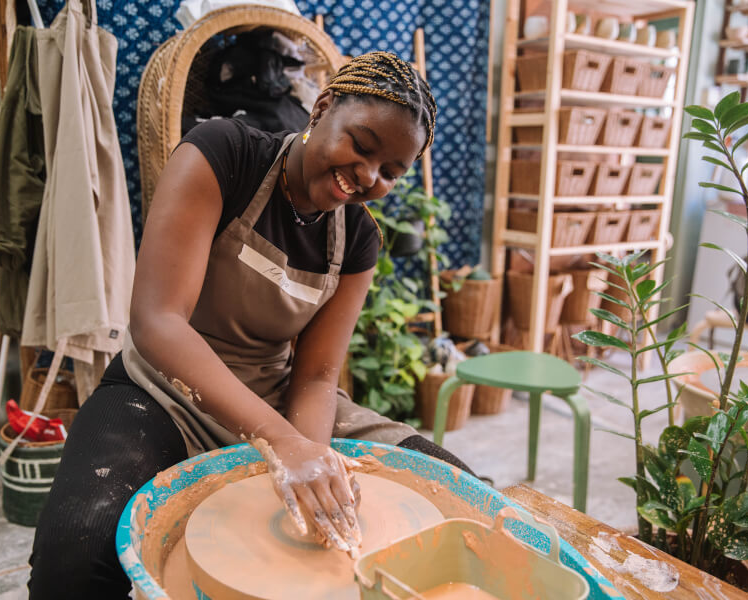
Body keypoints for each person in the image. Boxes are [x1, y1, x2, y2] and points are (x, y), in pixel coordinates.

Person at [28, 51, 472, 598]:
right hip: (163, 392)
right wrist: (279, 442)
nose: (368, 175)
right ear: (322, 108)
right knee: (74, 559)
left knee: (461, 495)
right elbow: (157, 321)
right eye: (361, 145)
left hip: (281, 396)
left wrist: (306, 458)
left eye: (390, 172)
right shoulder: (224, 154)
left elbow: (317, 377)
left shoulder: (358, 240)